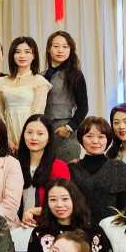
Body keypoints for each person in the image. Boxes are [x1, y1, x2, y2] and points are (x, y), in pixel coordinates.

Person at [26, 179, 114, 252]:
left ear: (75, 199)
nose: (59, 204)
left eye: (65, 199)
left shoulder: (94, 231)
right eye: (53, 200)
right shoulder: (40, 233)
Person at [69, 116, 126, 224]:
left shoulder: (119, 167)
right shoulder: (71, 169)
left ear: (108, 140)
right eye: (89, 136)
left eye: (101, 136)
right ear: (81, 139)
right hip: (78, 229)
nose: (95, 141)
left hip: (112, 229)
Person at [0, 36, 52, 152]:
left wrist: (27, 138)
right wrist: (7, 138)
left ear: (33, 55)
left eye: (27, 52)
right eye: (18, 52)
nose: (22, 56)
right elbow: (0, 112)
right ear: (12, 55)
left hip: (30, 134)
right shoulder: (1, 82)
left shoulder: (39, 81)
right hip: (7, 135)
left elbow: (37, 113)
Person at [43, 31, 87, 162]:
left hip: (64, 129)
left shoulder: (75, 74)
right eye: (56, 46)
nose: (60, 50)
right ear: (49, 49)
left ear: (70, 50)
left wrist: (69, 127)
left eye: (65, 47)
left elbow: (83, 107)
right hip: (43, 130)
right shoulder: (40, 76)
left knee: (67, 172)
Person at [17, 114, 71, 217]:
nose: (34, 137)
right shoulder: (15, 164)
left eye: (40, 134)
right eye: (29, 132)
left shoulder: (59, 167)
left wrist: (33, 211)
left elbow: (62, 204)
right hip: (15, 223)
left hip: (46, 223)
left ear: (49, 138)